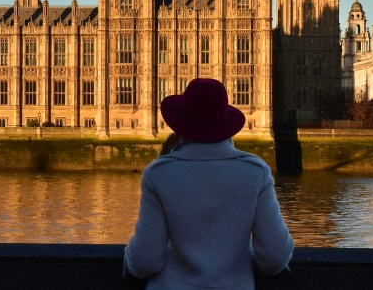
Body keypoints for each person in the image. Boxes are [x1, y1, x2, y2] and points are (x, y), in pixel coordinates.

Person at [124, 78, 293, 289]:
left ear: (180, 125)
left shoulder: (158, 174)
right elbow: (275, 256)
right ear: (226, 125)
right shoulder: (255, 172)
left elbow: (144, 262)